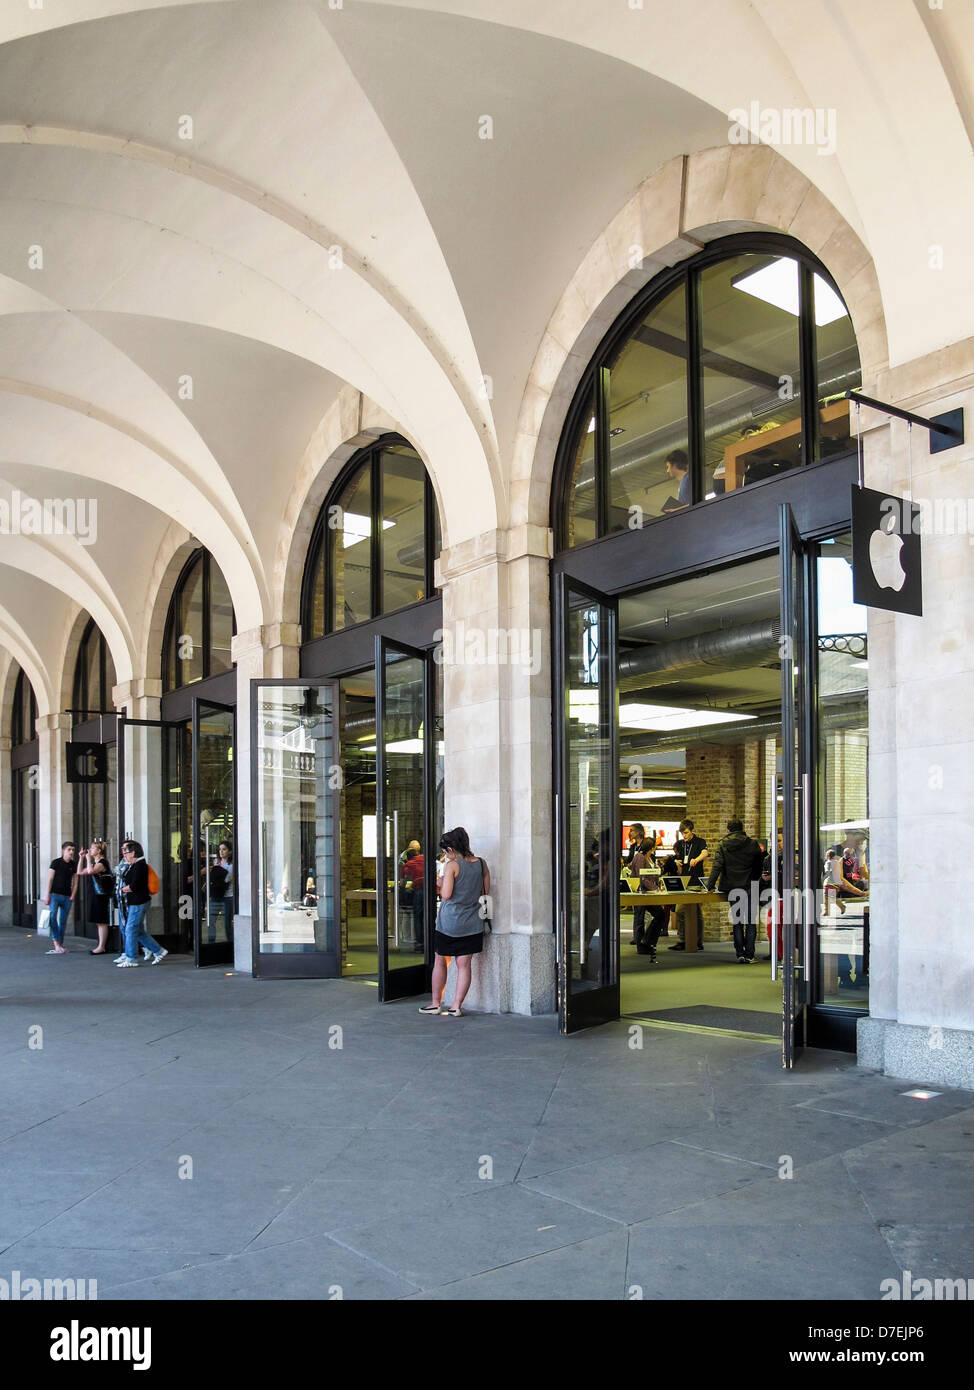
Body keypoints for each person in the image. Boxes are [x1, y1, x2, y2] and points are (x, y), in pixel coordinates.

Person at [418, 827, 488, 1017]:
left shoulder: (452, 865)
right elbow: (484, 891)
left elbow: (447, 895)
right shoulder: (481, 864)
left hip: (450, 923)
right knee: (464, 965)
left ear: (451, 848)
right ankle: (456, 1006)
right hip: (473, 922)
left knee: (440, 960)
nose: (445, 854)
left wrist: (439, 884)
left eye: (445, 850)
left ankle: (435, 1003)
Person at [706, 818, 764, 963]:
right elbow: (759, 866)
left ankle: (740, 954)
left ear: (729, 830)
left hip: (732, 887)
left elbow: (717, 866)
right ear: (742, 828)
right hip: (750, 886)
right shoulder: (752, 844)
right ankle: (750, 955)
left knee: (737, 921)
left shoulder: (723, 844)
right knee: (750, 921)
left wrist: (710, 885)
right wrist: (754, 879)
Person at [114, 840, 167, 967]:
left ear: (133, 852)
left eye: (125, 851)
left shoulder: (139, 865)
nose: (124, 854)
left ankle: (131, 958)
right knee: (137, 931)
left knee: (130, 929)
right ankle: (158, 950)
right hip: (137, 901)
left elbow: (136, 884)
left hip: (138, 902)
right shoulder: (135, 864)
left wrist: (125, 889)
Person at [667, 819, 708, 951]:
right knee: (681, 911)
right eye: (682, 833)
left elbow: (705, 852)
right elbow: (675, 857)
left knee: (696, 912)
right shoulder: (680, 844)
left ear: (692, 831)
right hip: (683, 882)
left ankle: (696, 941)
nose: (684, 836)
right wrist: (676, 862)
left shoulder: (700, 842)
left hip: (695, 882)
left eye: (686, 833)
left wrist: (696, 859)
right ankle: (685, 940)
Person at [630, 833, 666, 960]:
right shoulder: (640, 857)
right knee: (639, 919)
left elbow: (655, 874)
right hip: (641, 893)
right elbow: (642, 878)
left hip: (650, 893)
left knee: (660, 914)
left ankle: (648, 940)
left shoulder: (652, 858)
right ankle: (641, 945)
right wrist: (655, 888)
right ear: (651, 847)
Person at [76, 839, 113, 954]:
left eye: (92, 848)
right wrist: (81, 858)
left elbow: (91, 871)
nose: (90, 850)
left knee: (101, 921)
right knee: (98, 921)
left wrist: (87, 859)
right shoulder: (95, 863)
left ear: (99, 851)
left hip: (102, 895)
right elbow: (80, 872)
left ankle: (102, 946)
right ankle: (100, 945)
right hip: (95, 895)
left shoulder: (102, 863)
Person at [43, 841, 77, 955]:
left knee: (63, 921)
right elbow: (50, 879)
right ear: (63, 851)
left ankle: (60, 945)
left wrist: (72, 895)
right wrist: (47, 895)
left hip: (67, 897)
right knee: (52, 917)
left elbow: (76, 882)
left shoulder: (74, 864)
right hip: (54, 895)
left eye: (73, 850)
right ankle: (56, 943)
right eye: (69, 850)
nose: (71, 852)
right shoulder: (56, 863)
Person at [402, 842, 426, 952]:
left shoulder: (408, 864)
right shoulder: (425, 858)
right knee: (428, 916)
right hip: (430, 890)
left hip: (419, 891)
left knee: (418, 917)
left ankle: (419, 944)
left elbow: (403, 881)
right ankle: (429, 941)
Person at [209, 841, 233, 942]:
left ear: (230, 851)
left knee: (227, 923)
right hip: (216, 895)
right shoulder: (215, 862)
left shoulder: (232, 864)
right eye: (220, 849)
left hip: (228, 896)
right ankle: (211, 943)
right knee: (211, 921)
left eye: (224, 849)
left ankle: (230, 944)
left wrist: (217, 872)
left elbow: (227, 879)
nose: (221, 852)